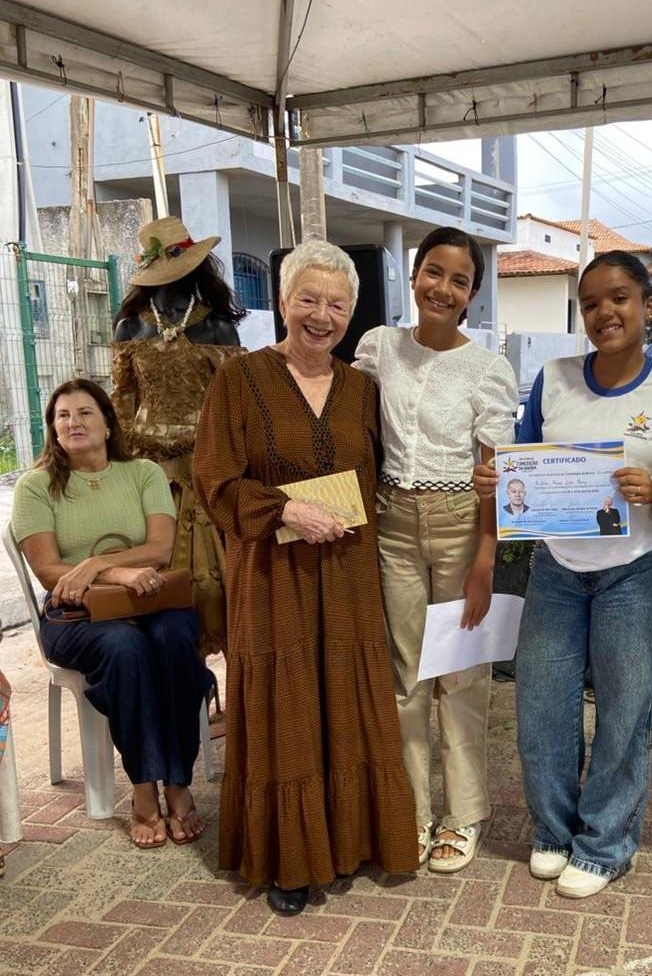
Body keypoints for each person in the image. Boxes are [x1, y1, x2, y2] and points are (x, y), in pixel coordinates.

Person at [193, 240, 418, 916]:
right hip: (272, 573)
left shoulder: (362, 389)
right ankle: (291, 859)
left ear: (352, 312)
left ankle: (348, 841)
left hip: (346, 572)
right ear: (284, 303)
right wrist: (283, 507)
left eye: (337, 303)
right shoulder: (239, 379)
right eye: (308, 299)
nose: (322, 315)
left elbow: (376, 476)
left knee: (346, 697)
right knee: (286, 705)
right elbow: (213, 480)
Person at [476, 251, 652, 898]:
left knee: (625, 713)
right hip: (558, 565)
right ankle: (552, 830)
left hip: (636, 571)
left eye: (620, 298)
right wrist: (499, 478)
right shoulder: (554, 378)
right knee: (541, 704)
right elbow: (524, 463)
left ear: (648, 305)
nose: (606, 311)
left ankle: (605, 842)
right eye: (593, 302)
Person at [354, 226, 518, 874]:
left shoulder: (488, 368)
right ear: (413, 275)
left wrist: (485, 558)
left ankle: (465, 812)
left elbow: (495, 472)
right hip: (392, 520)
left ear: (472, 295)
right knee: (405, 676)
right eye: (433, 272)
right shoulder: (378, 347)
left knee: (462, 673)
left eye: (459, 280)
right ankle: (413, 809)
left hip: (459, 522)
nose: (442, 288)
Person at [11, 379, 213, 849]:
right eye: (62, 415)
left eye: (84, 413)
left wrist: (97, 564)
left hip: (149, 600)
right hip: (76, 617)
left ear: (107, 424)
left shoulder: (142, 473)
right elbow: (48, 572)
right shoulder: (36, 486)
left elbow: (160, 549)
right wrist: (121, 575)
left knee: (177, 640)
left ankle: (177, 781)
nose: (72, 422)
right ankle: (144, 788)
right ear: (52, 429)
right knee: (125, 647)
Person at [111, 216, 245, 657]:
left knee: (218, 585)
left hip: (206, 467)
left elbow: (233, 407)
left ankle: (226, 688)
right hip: (147, 474)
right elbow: (123, 402)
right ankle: (181, 684)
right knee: (157, 584)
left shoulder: (219, 327)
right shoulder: (130, 327)